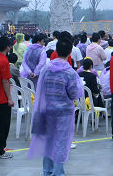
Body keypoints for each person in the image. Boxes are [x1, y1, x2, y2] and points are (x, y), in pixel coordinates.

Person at [28, 33, 83, 175]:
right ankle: (58, 172)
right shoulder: (70, 72)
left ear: (56, 50)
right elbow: (74, 94)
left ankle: (47, 171)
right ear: (70, 52)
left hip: (47, 110)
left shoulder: (46, 68)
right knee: (61, 143)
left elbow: (40, 88)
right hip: (63, 113)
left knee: (49, 141)